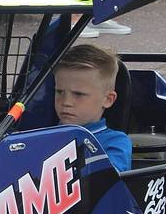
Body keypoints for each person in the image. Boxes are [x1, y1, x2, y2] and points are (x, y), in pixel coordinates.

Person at [53, 44, 132, 172]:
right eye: (59, 92)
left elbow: (108, 183)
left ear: (107, 99)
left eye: (78, 94)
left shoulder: (115, 142)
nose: (66, 102)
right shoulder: (42, 137)